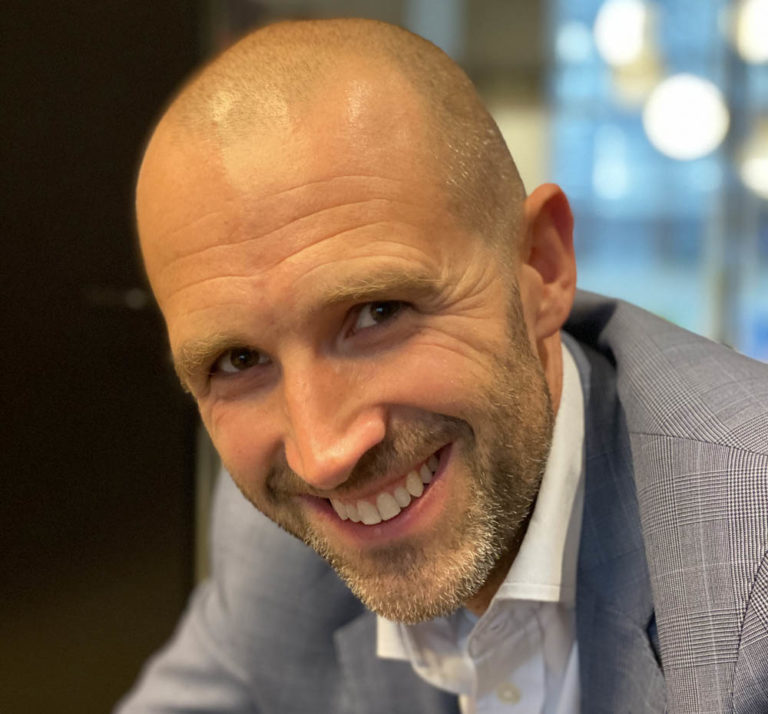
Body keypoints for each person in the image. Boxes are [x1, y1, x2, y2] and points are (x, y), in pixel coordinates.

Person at [117, 17, 768, 714]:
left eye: (378, 313)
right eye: (239, 360)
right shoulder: (277, 543)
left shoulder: (749, 567)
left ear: (542, 267)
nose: (322, 456)